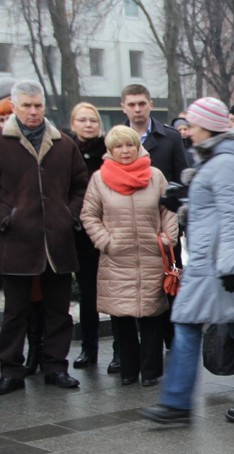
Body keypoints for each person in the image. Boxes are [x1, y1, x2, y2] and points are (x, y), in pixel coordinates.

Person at [139, 97, 234, 424]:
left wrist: (230, 267)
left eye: (193, 125)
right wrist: (182, 203)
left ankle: (177, 403)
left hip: (221, 264)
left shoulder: (225, 161)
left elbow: (232, 216)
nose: (187, 131)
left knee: (191, 324)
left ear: (209, 126)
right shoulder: (217, 158)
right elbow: (214, 209)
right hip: (214, 261)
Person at [0, 79, 89, 395]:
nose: (33, 111)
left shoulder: (64, 144)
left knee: (58, 312)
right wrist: (6, 216)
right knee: (14, 313)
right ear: (15, 106)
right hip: (16, 243)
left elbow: (81, 185)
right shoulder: (2, 142)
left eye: (38, 105)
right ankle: (11, 369)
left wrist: (71, 214)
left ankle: (55, 367)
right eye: (26, 106)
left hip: (58, 242)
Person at [80, 126, 179, 387]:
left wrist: (166, 239)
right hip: (116, 260)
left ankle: (150, 372)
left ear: (138, 147)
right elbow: (89, 215)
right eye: (118, 147)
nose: (125, 151)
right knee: (122, 319)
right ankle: (128, 370)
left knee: (152, 318)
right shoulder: (99, 179)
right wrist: (106, 242)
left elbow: (169, 211)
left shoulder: (155, 176)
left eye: (129, 145)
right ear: (110, 151)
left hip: (151, 257)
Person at [121, 84, 189, 369]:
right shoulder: (117, 139)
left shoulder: (170, 138)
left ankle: (174, 344)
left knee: (168, 286)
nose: (137, 109)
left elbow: (182, 181)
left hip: (163, 228)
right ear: (123, 106)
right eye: (132, 104)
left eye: (142, 103)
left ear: (150, 104)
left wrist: (176, 226)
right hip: (127, 230)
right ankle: (125, 353)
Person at [67, 102, 107, 369]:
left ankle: (119, 352)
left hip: (110, 234)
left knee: (115, 295)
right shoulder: (67, 152)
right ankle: (88, 349)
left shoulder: (110, 149)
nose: (88, 125)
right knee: (87, 295)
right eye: (82, 120)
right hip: (81, 237)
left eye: (92, 120)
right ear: (73, 124)